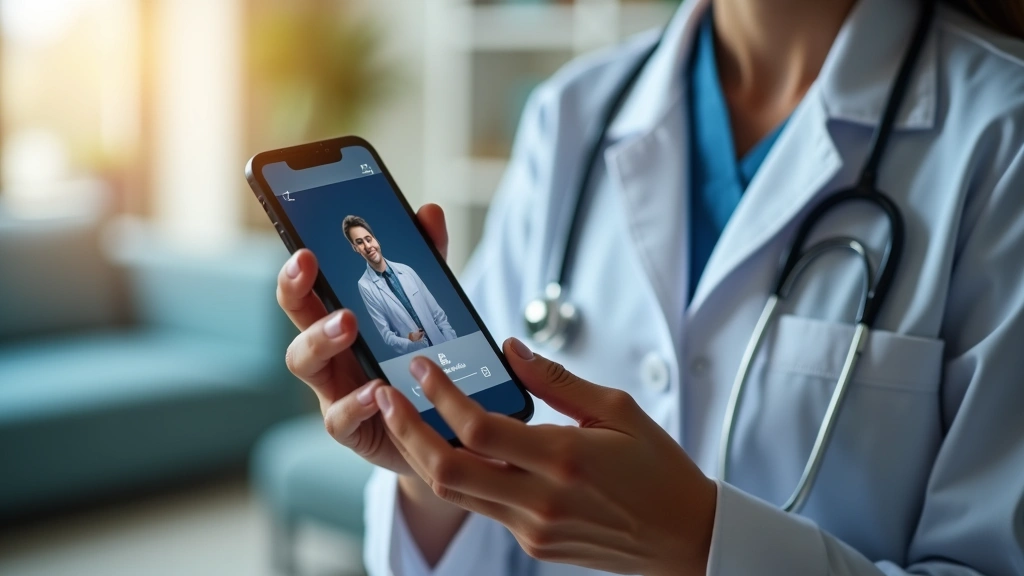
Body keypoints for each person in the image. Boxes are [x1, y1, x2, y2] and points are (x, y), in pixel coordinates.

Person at [276, 0, 1024, 574]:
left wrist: (699, 541)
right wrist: (429, 475)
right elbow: (484, 534)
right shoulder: (571, 114)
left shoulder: (1001, 136)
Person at [344, 215, 457, 355]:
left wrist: (453, 343)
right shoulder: (365, 286)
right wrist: (410, 340)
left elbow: (438, 315)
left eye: (368, 239)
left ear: (375, 239)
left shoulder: (406, 270)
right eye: (360, 243)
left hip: (445, 348)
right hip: (419, 357)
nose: (368, 246)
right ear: (355, 248)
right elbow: (387, 335)